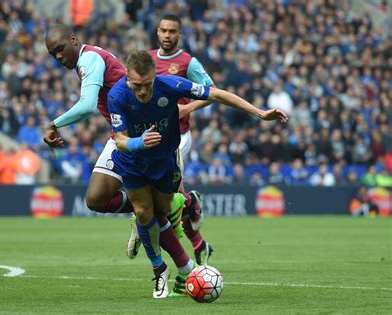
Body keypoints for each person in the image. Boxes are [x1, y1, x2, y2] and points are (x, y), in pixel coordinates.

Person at [108, 50, 288, 298]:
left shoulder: (169, 85)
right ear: (127, 77)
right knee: (142, 211)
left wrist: (259, 113)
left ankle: (183, 202)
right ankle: (159, 269)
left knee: (162, 211)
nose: (142, 91)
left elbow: (215, 93)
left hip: (163, 160)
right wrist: (139, 143)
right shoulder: (117, 95)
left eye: (147, 84)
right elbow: (119, 139)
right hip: (133, 160)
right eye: (137, 86)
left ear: (154, 77)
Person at [42, 24, 201, 296]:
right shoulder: (89, 60)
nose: (58, 57)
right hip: (124, 137)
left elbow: (87, 104)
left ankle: (182, 266)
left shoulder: (89, 58)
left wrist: (53, 124)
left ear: (73, 39)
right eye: (52, 54)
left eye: (60, 49)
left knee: (154, 213)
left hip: (154, 137)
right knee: (96, 199)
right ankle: (155, 218)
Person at [126, 14, 215, 265]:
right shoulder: (147, 61)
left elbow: (212, 91)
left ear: (180, 34)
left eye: (172, 31)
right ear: (157, 32)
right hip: (148, 137)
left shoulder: (189, 62)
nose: (167, 35)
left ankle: (144, 221)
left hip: (178, 136)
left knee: (161, 198)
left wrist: (188, 109)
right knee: (172, 199)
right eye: (163, 30)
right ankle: (197, 239)